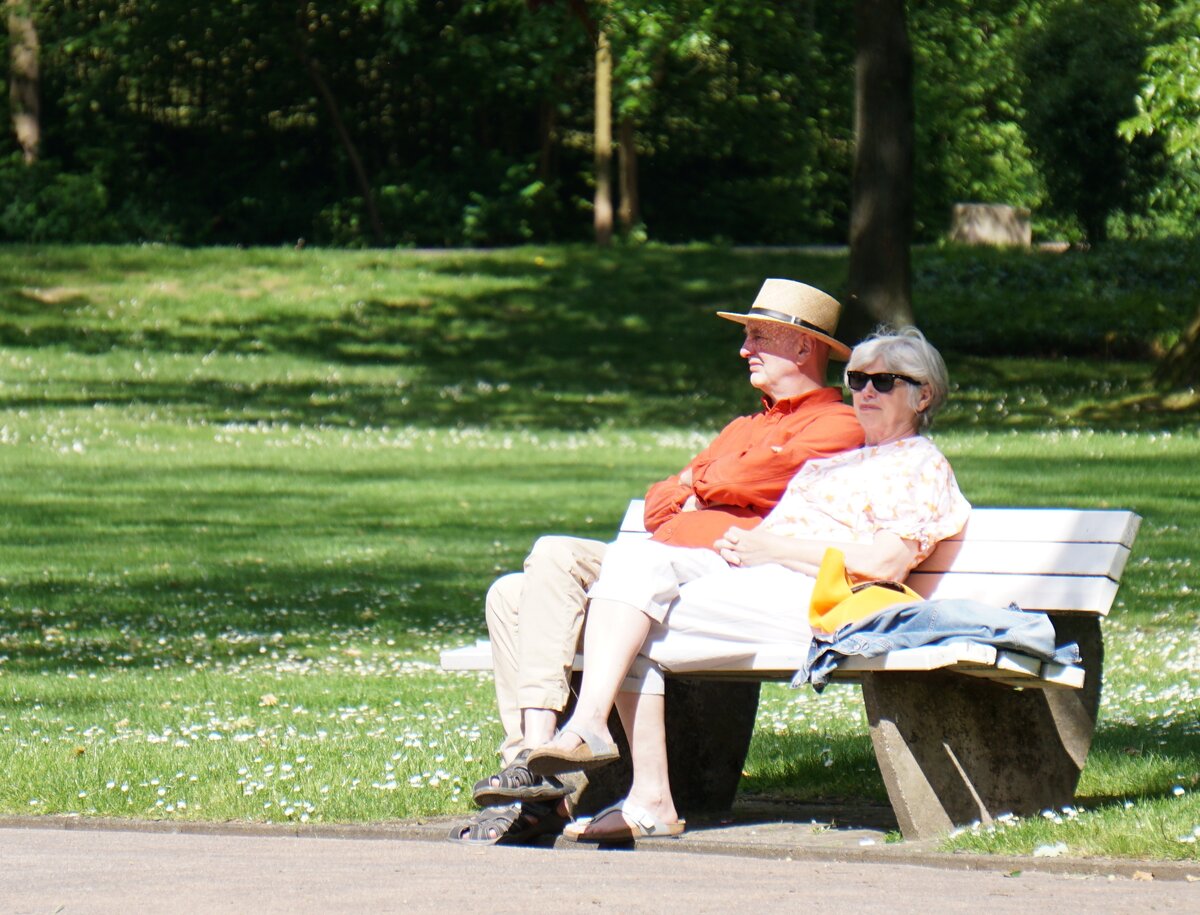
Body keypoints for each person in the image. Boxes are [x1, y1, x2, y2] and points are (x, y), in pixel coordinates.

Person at [450, 279, 864, 844]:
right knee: (519, 584)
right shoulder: (744, 427)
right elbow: (654, 505)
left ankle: (574, 738)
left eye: (758, 337)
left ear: (801, 346)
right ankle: (528, 755)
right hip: (663, 558)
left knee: (631, 571)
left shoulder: (837, 423)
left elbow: (748, 479)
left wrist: (702, 485)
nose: (744, 350)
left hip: (724, 573)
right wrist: (703, 487)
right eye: (746, 337)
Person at [524, 327, 971, 843]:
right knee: (631, 582)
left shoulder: (920, 463)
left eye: (885, 381)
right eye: (857, 379)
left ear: (924, 394)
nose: (865, 391)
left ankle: (605, 748)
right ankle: (637, 786)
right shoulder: (838, 463)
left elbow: (885, 563)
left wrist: (775, 549)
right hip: (759, 583)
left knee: (635, 603)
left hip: (825, 603)